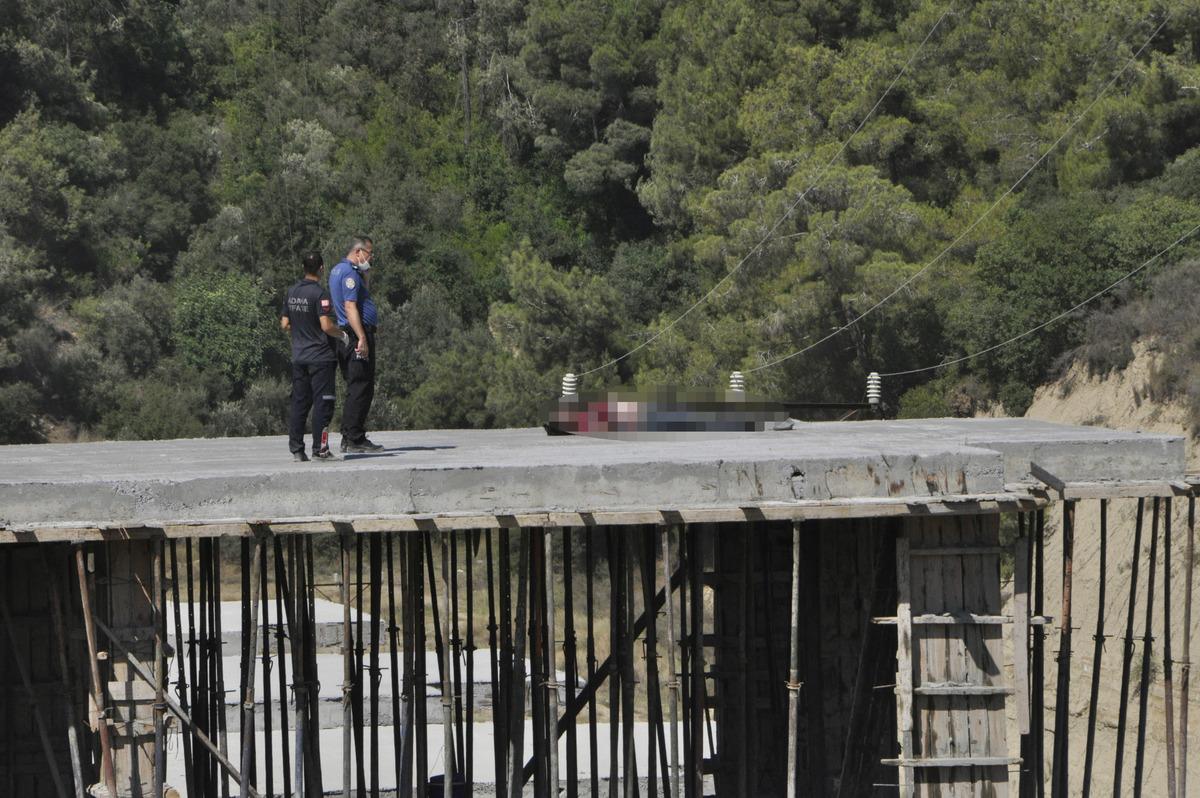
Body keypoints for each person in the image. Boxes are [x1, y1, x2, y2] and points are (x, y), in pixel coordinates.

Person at [281, 252, 343, 461]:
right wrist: (342, 334)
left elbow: (285, 324)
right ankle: (320, 449)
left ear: (303, 267)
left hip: (299, 357)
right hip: (321, 357)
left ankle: (297, 449)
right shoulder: (320, 294)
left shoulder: (292, 291)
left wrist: (302, 330)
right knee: (323, 403)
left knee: (300, 402)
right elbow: (326, 326)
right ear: (321, 269)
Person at [329, 236, 384, 453]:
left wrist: (366, 276)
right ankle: (353, 437)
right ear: (359, 251)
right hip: (355, 334)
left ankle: (352, 434)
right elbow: (350, 307)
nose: (371, 258)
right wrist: (361, 336)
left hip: (349, 334)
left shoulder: (339, 270)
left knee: (358, 385)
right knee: (361, 385)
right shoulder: (350, 273)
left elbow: (360, 297)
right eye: (369, 253)